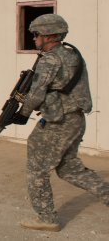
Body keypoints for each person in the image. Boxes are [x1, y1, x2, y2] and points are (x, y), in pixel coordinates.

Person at [7, 14, 109, 232]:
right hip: (75, 120)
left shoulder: (50, 60)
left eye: (37, 35)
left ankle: (46, 218)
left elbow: (35, 94)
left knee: (37, 169)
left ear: (50, 35)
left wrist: (21, 114)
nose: (34, 39)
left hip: (57, 122)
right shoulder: (74, 55)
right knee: (69, 168)